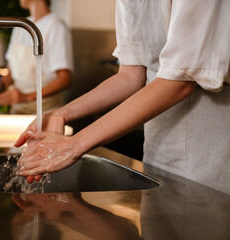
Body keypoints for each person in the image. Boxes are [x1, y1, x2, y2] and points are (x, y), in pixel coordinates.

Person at [14, 0, 230, 194]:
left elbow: (180, 81)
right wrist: (61, 114)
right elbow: (130, 75)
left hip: (208, 156)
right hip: (158, 150)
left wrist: (75, 144)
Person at [0, 0, 73, 114]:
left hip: (45, 113)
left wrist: (27, 97)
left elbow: (64, 79)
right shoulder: (20, 26)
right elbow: (12, 72)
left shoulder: (56, 27)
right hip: (18, 111)